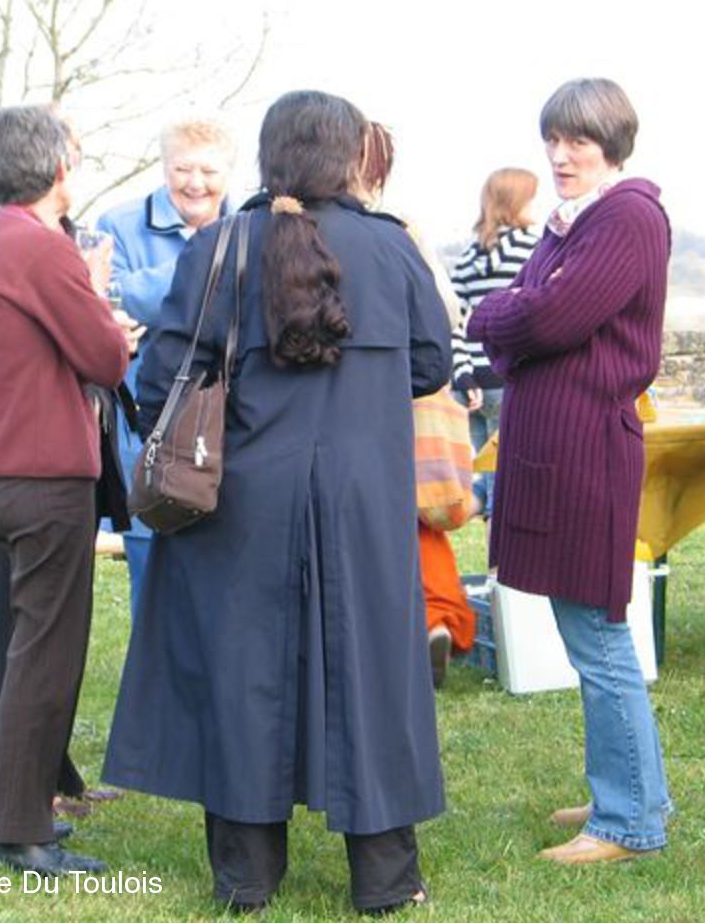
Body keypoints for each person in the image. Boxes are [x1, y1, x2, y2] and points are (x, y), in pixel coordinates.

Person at [102, 91, 451, 912]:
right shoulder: (390, 246)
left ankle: (247, 876)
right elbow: (432, 363)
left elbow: (161, 380)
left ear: (269, 155)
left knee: (240, 671)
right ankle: (386, 877)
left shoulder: (220, 245)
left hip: (239, 497)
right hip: (361, 497)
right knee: (371, 670)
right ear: (349, 156)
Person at [466, 78, 672, 864]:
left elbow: (547, 314)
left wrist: (497, 315)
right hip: (563, 441)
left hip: (587, 447)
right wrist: (522, 310)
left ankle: (627, 821)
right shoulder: (578, 219)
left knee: (598, 636)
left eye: (577, 140)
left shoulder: (626, 216)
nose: (559, 154)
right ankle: (632, 790)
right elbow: (533, 304)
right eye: (552, 139)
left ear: (611, 144)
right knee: (590, 633)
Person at [0, 104, 131, 875]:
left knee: (21, 647)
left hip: (0, 472)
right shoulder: (40, 246)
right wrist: (96, 295)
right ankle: (20, 832)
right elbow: (106, 358)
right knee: (44, 655)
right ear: (59, 168)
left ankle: (14, 819)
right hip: (44, 476)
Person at [95, 116, 237, 621]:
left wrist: (153, 295)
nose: (195, 183)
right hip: (151, 432)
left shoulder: (249, 224)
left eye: (209, 171)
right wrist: (215, 263)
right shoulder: (118, 226)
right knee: (152, 579)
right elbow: (112, 303)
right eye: (182, 169)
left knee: (227, 578)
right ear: (163, 167)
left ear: (229, 171)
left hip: (230, 429)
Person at [355, 121, 477, 688]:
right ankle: (437, 618)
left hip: (361, 402)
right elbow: (445, 312)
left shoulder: (344, 230)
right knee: (420, 521)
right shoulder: (402, 231)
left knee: (368, 527)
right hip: (413, 394)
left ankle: (398, 632)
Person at [451, 169, 541, 520]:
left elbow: (452, 323)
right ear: (518, 202)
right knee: (507, 486)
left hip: (474, 385)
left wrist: (463, 374)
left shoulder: (466, 258)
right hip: (511, 378)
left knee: (489, 477)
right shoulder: (533, 248)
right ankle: (497, 555)